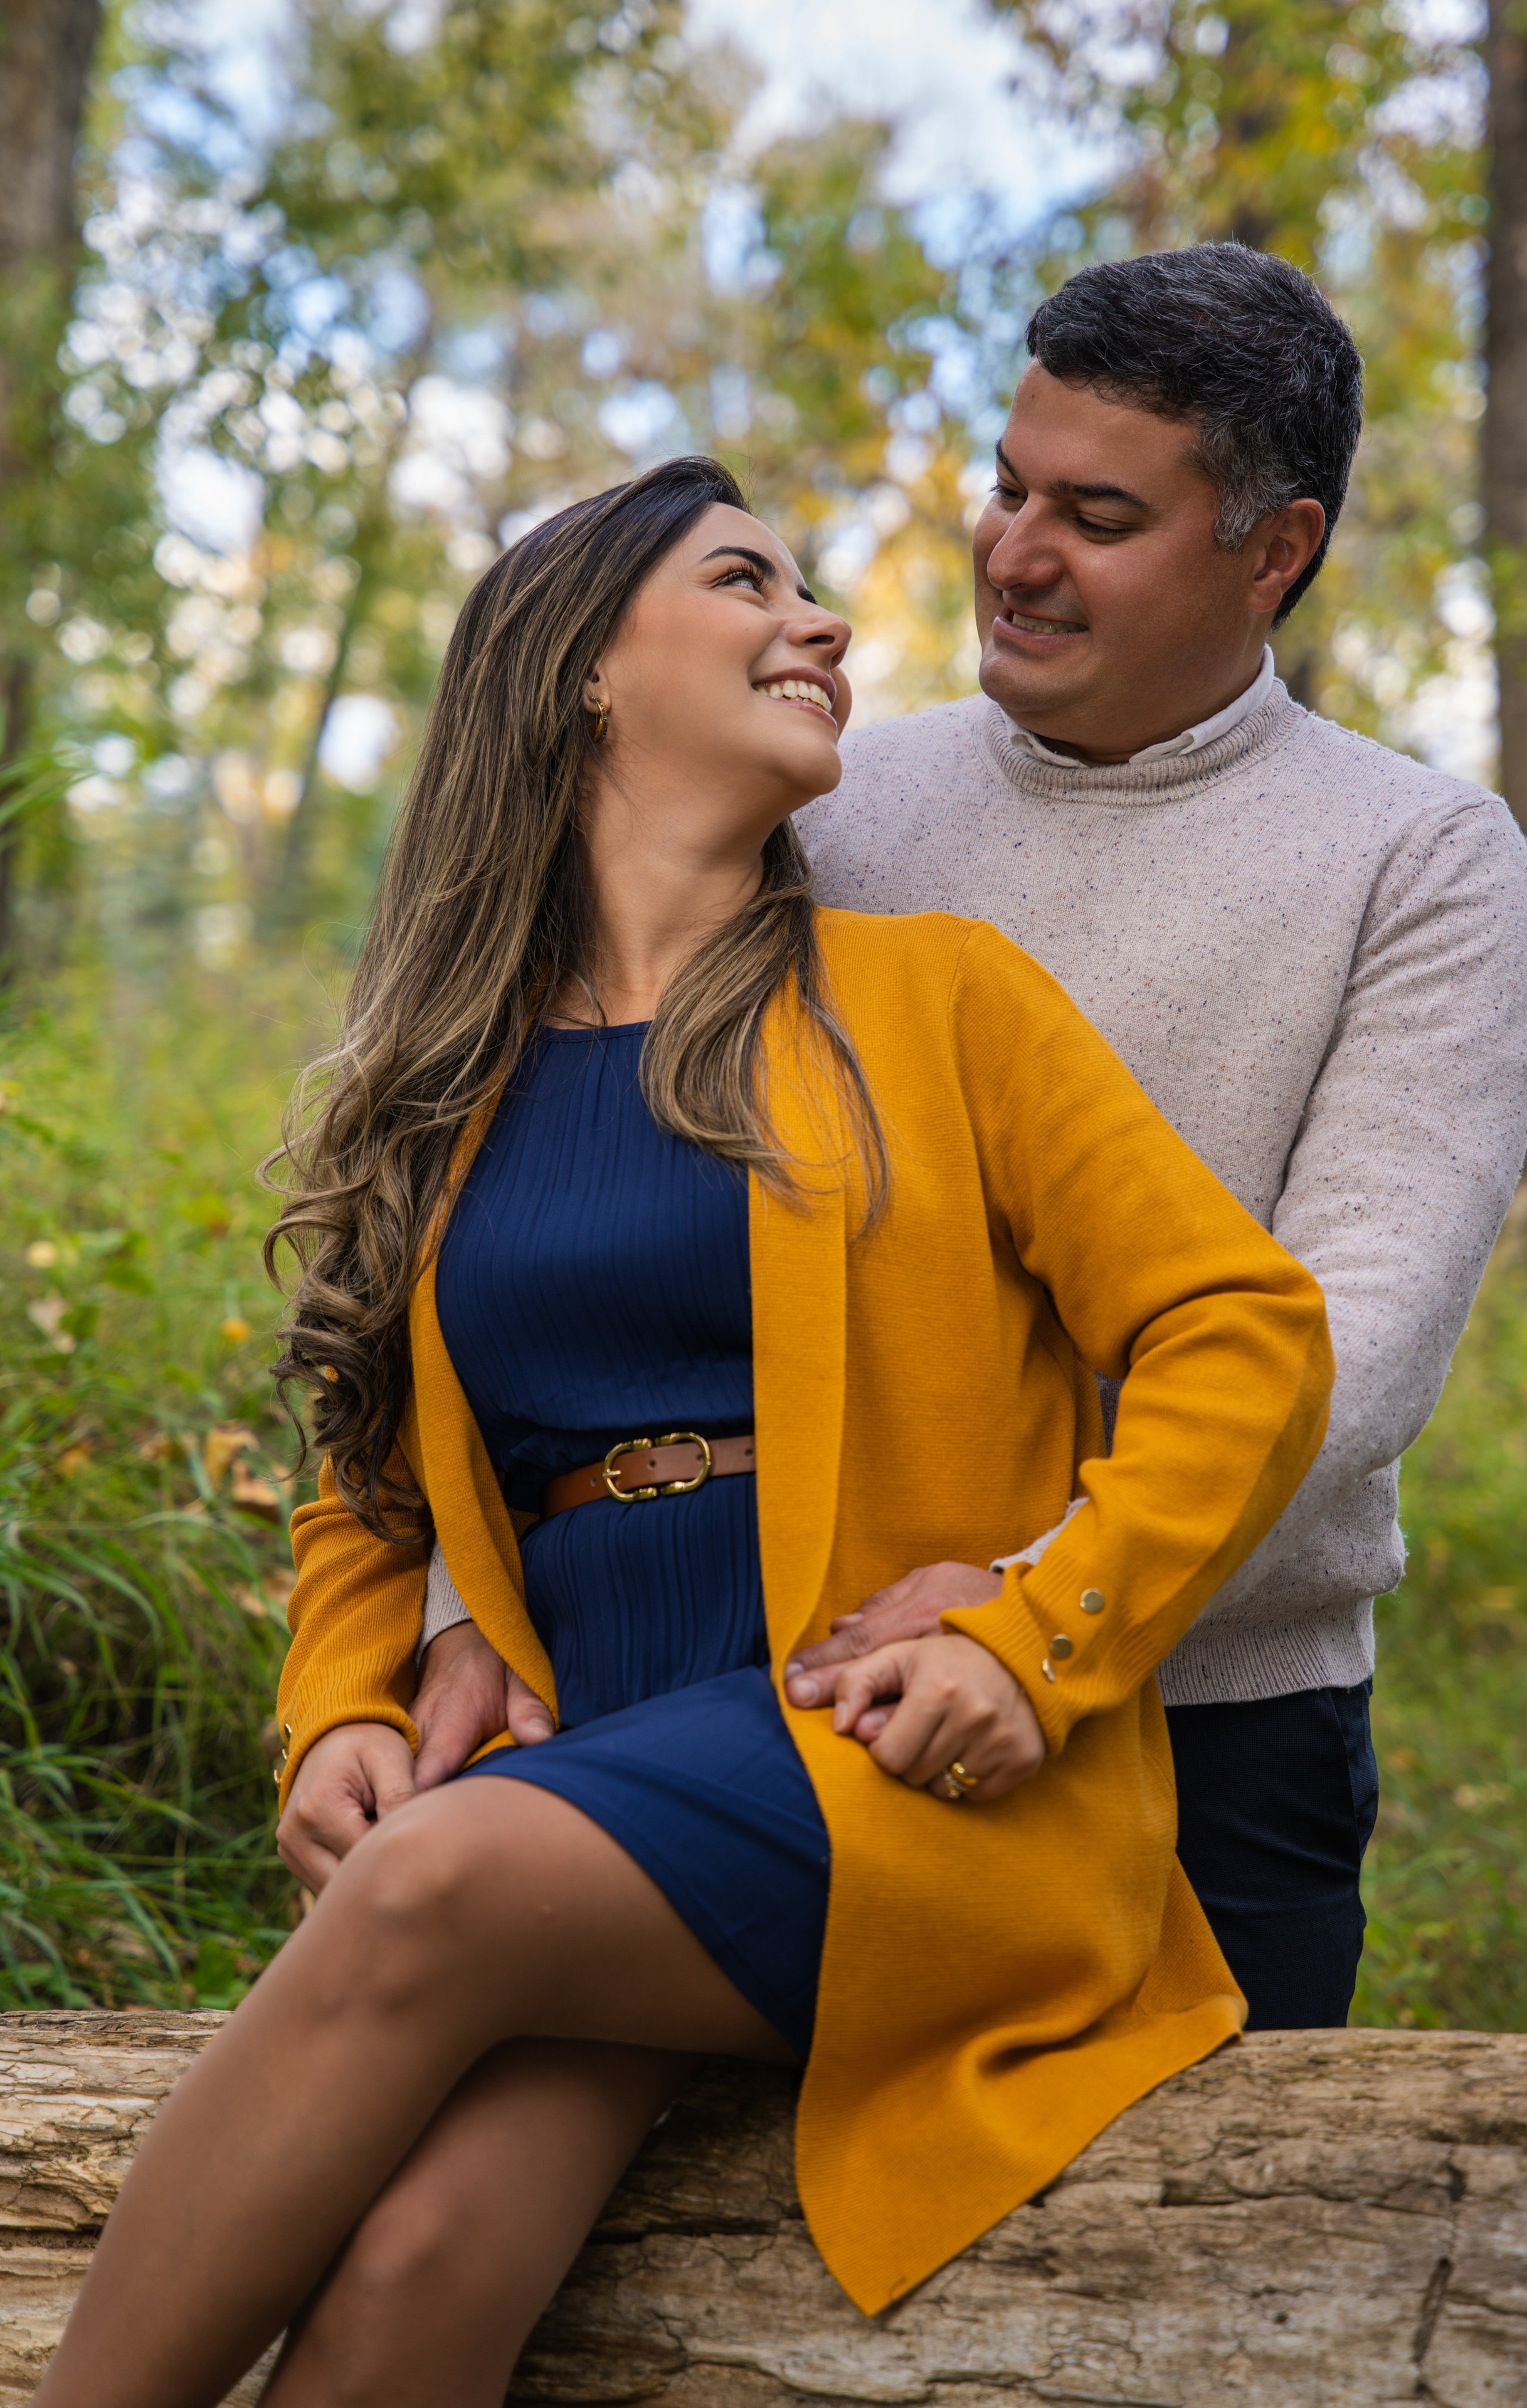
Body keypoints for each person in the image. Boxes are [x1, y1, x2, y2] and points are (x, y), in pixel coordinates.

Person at [36, 456, 1331, 2408]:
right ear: (581, 670)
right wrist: (348, 1708)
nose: (821, 624)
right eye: (750, 580)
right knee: (418, 2265)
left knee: (430, 1891)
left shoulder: (938, 1001)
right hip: (604, 1761)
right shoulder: (446, 1093)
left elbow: (1246, 1329)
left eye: (812, 591)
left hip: (873, 1758)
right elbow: (372, 1484)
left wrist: (1037, 1625)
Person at [788, 243, 1527, 2030]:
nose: (1014, 552)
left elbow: (1348, 1343)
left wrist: (1046, 1605)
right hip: (813, 1685)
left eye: (1099, 515)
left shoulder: (1420, 860)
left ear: (1271, 548)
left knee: (1216, 2277)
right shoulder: (830, 808)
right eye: (1008, 485)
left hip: (1218, 1738)